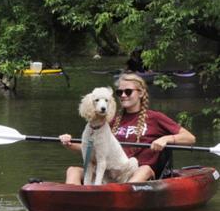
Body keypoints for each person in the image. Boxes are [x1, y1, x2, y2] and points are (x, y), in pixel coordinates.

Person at [59, 72, 195, 184]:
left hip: (138, 173)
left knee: (145, 169)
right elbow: (91, 148)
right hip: (110, 171)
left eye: (128, 92)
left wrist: (166, 139)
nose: (123, 95)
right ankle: (73, 199)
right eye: (120, 93)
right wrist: (69, 144)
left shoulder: (155, 117)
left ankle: (120, 195)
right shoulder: (109, 120)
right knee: (73, 170)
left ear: (141, 93)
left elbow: (190, 138)